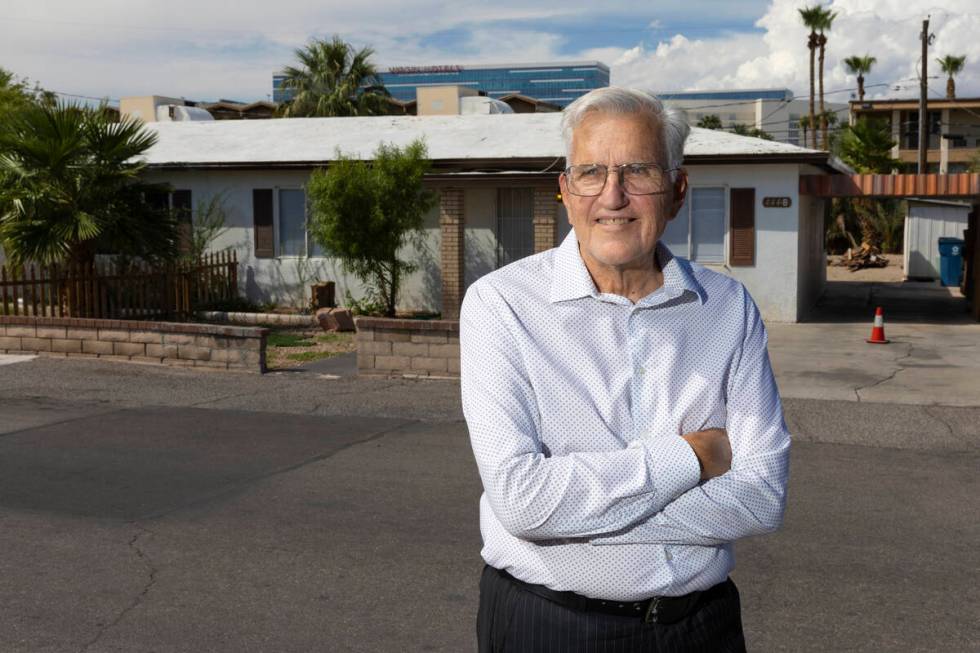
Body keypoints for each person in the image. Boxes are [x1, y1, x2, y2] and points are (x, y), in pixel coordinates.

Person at [460, 86, 791, 652]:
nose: (612, 196)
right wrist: (691, 455)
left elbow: (763, 496)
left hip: (702, 629)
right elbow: (521, 501)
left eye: (637, 171)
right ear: (565, 191)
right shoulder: (502, 305)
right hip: (549, 627)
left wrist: (576, 523)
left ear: (677, 190)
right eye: (590, 172)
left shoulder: (728, 309)